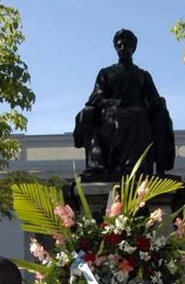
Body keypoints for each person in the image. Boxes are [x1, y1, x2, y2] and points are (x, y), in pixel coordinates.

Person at [74, 29, 175, 178]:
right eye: (119, 45)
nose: (123, 48)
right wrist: (113, 102)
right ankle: (114, 166)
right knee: (127, 116)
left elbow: (153, 98)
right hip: (111, 113)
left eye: (126, 45)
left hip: (139, 114)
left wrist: (159, 103)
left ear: (133, 48)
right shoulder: (106, 73)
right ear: (115, 48)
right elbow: (97, 96)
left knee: (139, 116)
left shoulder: (142, 75)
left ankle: (133, 167)